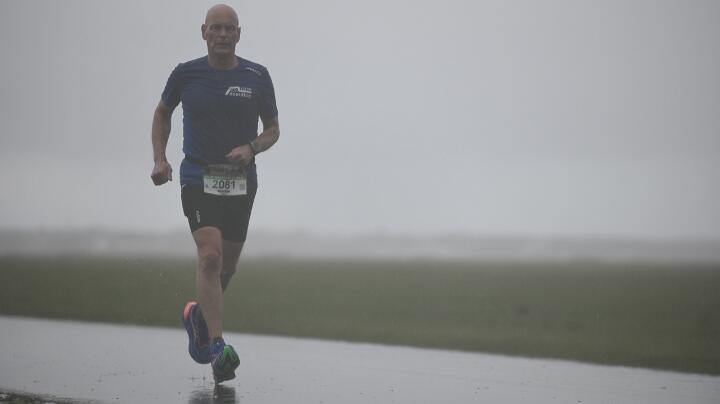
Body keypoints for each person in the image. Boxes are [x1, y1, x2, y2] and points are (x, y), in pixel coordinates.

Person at [150, 4, 280, 383]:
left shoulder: (257, 76)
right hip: (197, 175)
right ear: (204, 32)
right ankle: (218, 347)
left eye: (229, 29)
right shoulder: (186, 73)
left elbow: (273, 129)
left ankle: (198, 318)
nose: (222, 34)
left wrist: (251, 148)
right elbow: (162, 113)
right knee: (210, 256)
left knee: (227, 267)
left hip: (240, 180)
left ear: (239, 35)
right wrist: (160, 158)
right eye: (216, 28)